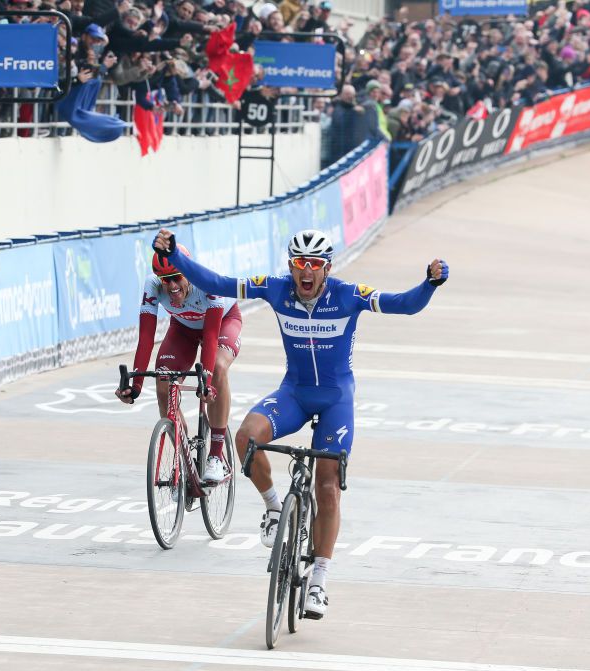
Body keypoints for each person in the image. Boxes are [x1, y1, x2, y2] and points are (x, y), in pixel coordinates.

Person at [152, 227, 448, 619]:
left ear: (326, 269)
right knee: (245, 438)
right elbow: (217, 282)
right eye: (298, 265)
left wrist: (429, 283)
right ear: (290, 267)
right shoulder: (276, 289)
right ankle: (275, 508)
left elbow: (403, 304)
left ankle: (320, 580)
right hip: (293, 392)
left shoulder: (347, 295)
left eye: (313, 265)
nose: (305, 272)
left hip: (335, 400)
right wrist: (175, 258)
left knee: (327, 488)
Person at [115, 246, 243, 483]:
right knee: (163, 384)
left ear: (188, 273)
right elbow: (146, 338)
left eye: (176, 278)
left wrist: (207, 381)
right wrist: (136, 386)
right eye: (166, 280)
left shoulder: (206, 282)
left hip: (222, 323)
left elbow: (212, 336)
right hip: (183, 329)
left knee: (217, 369)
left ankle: (215, 456)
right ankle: (185, 461)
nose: (172, 286)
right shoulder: (152, 286)